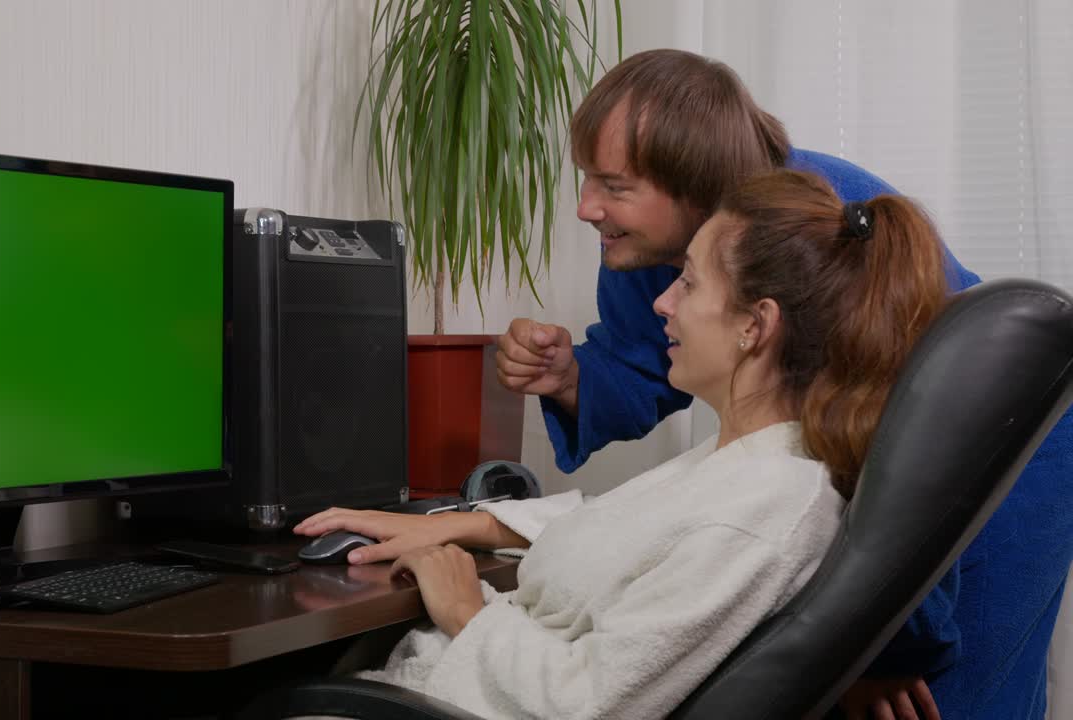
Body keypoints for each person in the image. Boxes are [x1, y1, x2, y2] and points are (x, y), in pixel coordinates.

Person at [494, 49, 1073, 719]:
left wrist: (879, 644)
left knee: (952, 700)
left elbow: (892, 447)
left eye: (614, 186)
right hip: (882, 452)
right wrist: (569, 378)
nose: (586, 207)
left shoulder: (817, 235)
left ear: (694, 187)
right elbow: (639, 365)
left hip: (997, 448)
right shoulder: (646, 244)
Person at [295, 168, 948, 720]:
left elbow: (590, 704)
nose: (662, 302)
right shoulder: (748, 463)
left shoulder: (764, 510)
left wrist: (467, 609)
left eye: (689, 282)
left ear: (756, 325)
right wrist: (463, 524)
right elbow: (626, 528)